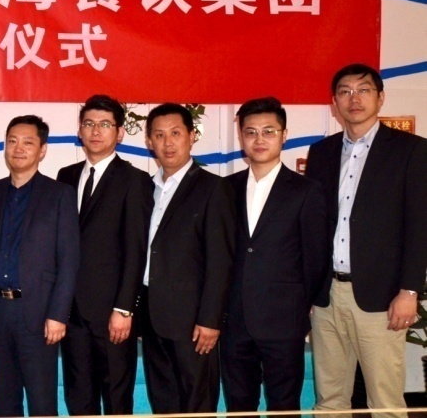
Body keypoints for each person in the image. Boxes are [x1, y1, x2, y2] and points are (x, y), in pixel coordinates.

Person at [306, 64, 427, 412]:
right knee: (330, 400)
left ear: (380, 98)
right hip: (328, 297)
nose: (354, 98)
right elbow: (314, 227)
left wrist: (409, 291)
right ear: (334, 102)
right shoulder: (321, 153)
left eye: (363, 90)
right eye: (345, 91)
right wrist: (310, 290)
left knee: (384, 401)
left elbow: (419, 225)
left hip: (382, 297)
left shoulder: (410, 150)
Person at [221, 97, 329, 411]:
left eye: (269, 131)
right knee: (239, 405)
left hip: (284, 320)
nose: (259, 139)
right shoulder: (224, 189)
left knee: (284, 405)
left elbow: (316, 257)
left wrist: (301, 306)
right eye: (251, 132)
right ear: (241, 137)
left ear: (284, 136)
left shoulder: (305, 190)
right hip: (234, 318)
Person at [0, 115, 79, 417]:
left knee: (42, 401)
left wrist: (58, 315)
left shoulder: (59, 195)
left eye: (28, 142)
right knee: (4, 399)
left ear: (42, 150)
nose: (18, 149)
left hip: (38, 313)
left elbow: (69, 260)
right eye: (12, 141)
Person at [56, 95, 150, 415]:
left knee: (116, 398)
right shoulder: (66, 177)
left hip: (112, 312)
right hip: (72, 311)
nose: (96, 131)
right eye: (89, 124)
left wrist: (124, 308)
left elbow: (136, 249)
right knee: (78, 397)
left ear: (120, 132)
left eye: (105, 124)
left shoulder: (134, 180)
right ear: (79, 131)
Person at [138, 103, 235, 413]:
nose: (168, 143)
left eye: (176, 133)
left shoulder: (213, 188)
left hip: (193, 322)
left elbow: (221, 260)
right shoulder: (146, 189)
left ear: (192, 136)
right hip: (153, 316)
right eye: (159, 135)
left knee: (196, 403)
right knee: (163, 401)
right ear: (149, 141)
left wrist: (210, 320)